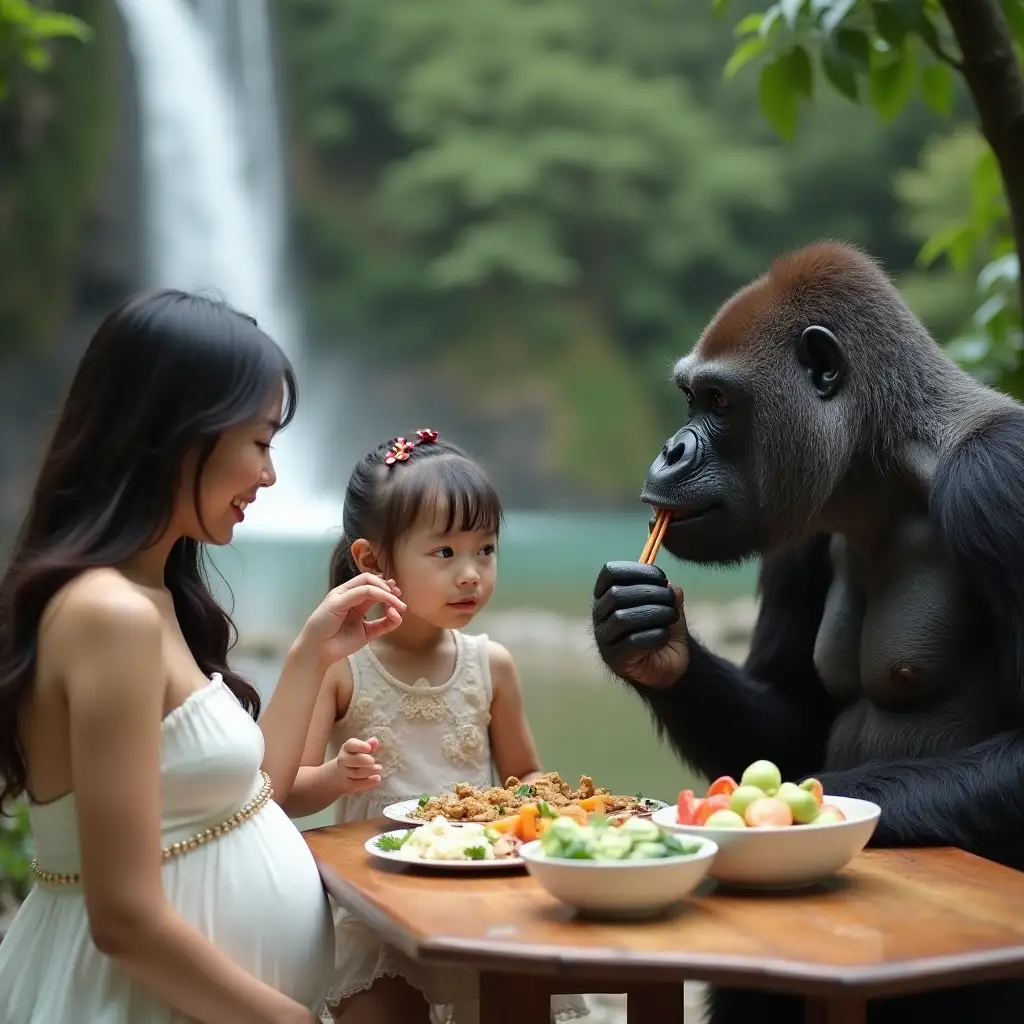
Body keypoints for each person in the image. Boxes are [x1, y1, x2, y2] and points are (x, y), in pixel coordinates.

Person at [0, 290, 410, 1024]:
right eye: (258, 441)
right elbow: (122, 919)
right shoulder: (107, 613)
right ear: (178, 432)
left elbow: (250, 798)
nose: (270, 475)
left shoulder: (149, 595)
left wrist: (312, 655)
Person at [282, 431, 590, 1024]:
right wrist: (336, 776)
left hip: (484, 897)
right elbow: (285, 789)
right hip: (381, 906)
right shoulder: (341, 666)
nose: (471, 574)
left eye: (486, 550)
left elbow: (525, 774)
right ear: (372, 561)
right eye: (445, 553)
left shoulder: (489, 665)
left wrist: (551, 804)